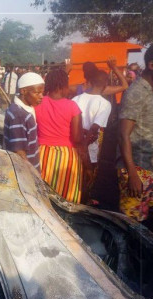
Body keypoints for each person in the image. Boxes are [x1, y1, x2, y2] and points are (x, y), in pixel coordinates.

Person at [35, 69, 84, 204]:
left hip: (43, 154)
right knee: (66, 197)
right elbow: (77, 138)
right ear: (63, 86)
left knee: (43, 197)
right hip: (66, 157)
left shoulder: (37, 103)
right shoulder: (72, 106)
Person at [118, 46, 153, 225]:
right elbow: (123, 135)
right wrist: (132, 173)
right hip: (137, 170)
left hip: (149, 166)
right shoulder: (136, 92)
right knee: (132, 227)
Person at [72, 70, 112, 203]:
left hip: (73, 145)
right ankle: (84, 201)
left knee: (74, 176)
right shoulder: (104, 104)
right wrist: (84, 147)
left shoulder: (75, 99)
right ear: (105, 84)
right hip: (89, 148)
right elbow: (94, 128)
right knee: (88, 176)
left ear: (91, 82)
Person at [3, 72, 44, 170]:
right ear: (23, 91)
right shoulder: (19, 115)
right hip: (26, 173)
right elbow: (20, 153)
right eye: (37, 93)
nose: (41, 96)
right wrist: (32, 176)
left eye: (42, 93)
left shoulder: (24, 109)